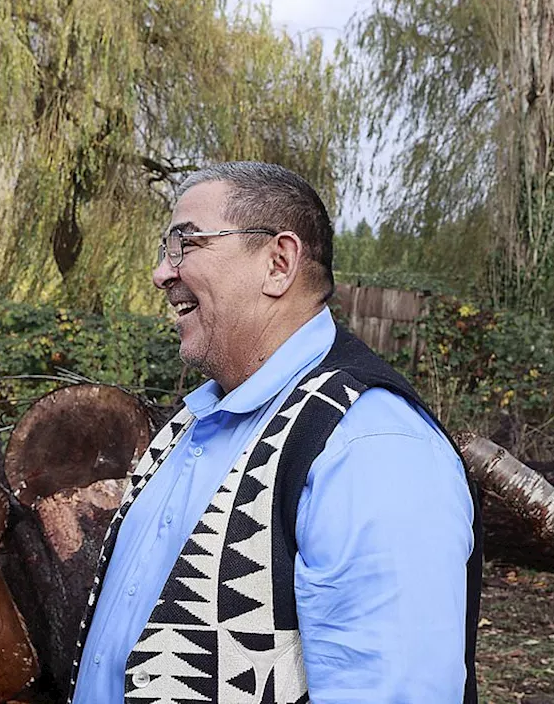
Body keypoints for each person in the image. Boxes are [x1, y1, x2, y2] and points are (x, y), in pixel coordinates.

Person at [69, 162, 481, 703]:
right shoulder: (196, 420)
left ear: (278, 263)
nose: (161, 273)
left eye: (183, 244)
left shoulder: (371, 448)